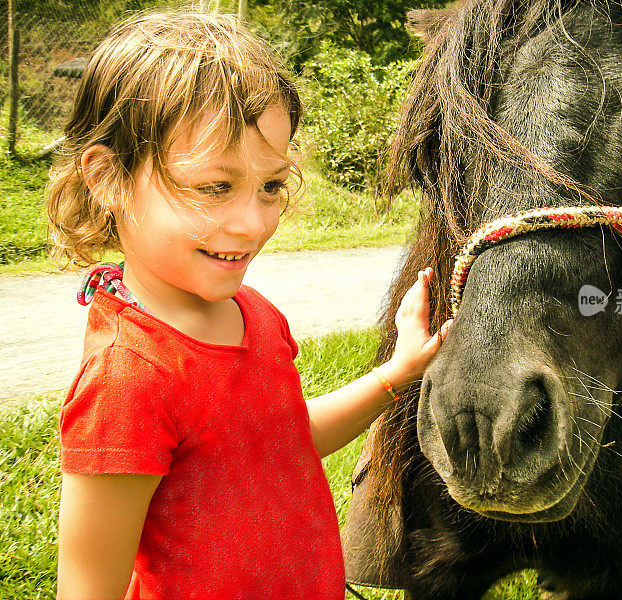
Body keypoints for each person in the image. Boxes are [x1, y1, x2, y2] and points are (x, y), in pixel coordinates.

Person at [47, 11, 451, 600]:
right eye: (214, 186)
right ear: (109, 178)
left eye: (270, 186)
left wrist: (397, 374)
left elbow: (283, 440)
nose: (253, 222)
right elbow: (87, 588)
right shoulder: (126, 380)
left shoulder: (254, 312)